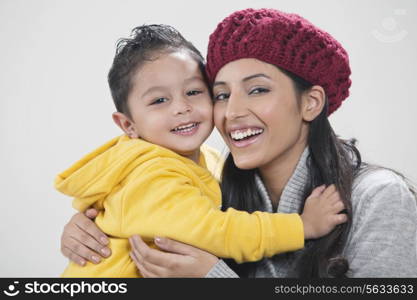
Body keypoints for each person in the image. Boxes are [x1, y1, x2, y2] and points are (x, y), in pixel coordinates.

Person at [60, 9, 417, 278]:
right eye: (221, 94)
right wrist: (95, 226)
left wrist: (214, 277)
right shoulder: (219, 191)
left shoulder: (378, 197)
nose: (232, 112)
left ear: (310, 102)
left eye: (258, 89)